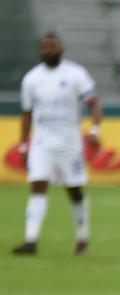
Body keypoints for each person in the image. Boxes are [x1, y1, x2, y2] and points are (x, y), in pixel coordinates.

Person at [12, 32, 100, 256]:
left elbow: (94, 103)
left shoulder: (75, 74)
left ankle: (82, 236)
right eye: (44, 48)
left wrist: (94, 130)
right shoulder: (31, 79)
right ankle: (31, 240)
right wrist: (23, 145)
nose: (48, 51)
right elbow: (26, 115)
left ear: (61, 49)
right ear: (40, 51)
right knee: (38, 185)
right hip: (42, 142)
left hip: (69, 141)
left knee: (74, 190)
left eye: (52, 47)